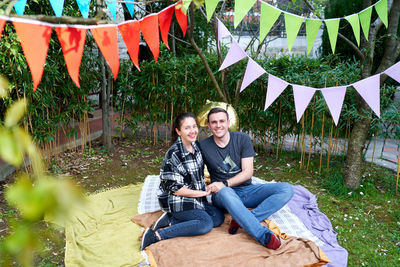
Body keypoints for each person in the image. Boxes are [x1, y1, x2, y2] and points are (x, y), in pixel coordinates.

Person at [199, 107, 294, 250]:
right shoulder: (203, 146)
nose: (218, 125)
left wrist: (224, 183)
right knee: (225, 191)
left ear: (228, 122)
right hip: (222, 196)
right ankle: (262, 235)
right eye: (214, 122)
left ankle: (242, 220)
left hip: (247, 190)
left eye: (221, 121)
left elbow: (248, 172)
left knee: (287, 189)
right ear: (209, 125)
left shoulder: (242, 139)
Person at [141, 113, 224, 250]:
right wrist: (202, 193)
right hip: (176, 199)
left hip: (195, 197)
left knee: (218, 217)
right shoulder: (174, 154)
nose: (192, 131)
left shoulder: (196, 145)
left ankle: (171, 221)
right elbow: (176, 189)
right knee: (205, 223)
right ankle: (157, 235)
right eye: (187, 128)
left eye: (194, 126)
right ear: (178, 131)